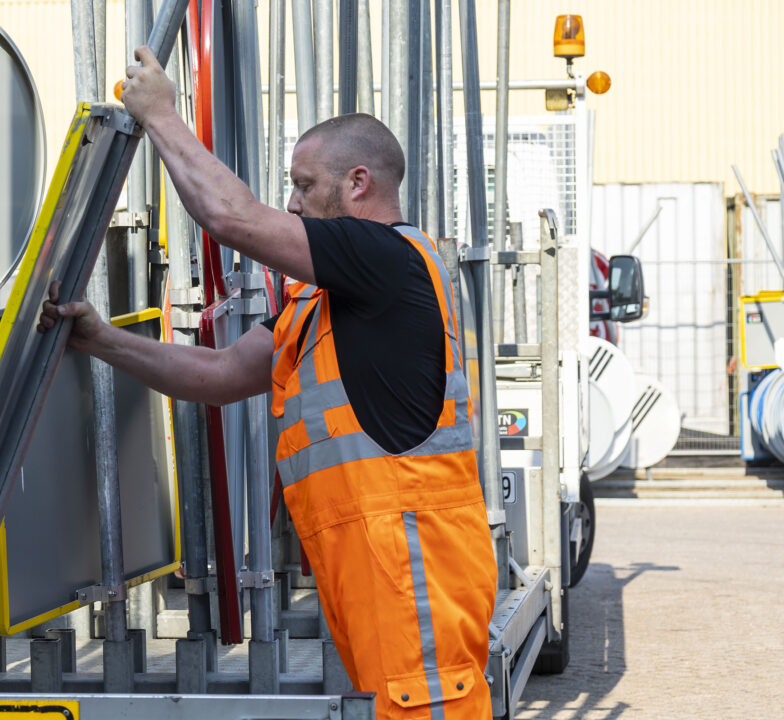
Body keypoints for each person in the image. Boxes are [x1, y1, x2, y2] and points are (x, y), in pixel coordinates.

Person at [40, 46, 496, 719]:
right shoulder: (328, 301)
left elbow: (233, 219)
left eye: (305, 185)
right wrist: (104, 341)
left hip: (413, 573)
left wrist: (163, 116)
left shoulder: (386, 258)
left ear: (358, 184)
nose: (293, 202)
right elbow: (221, 375)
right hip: (382, 567)